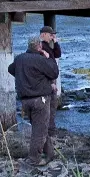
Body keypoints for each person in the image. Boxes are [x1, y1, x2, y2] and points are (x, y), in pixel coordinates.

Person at [8, 37, 59, 166]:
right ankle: (34, 158)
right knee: (40, 130)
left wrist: (24, 77)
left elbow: (10, 69)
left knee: (40, 127)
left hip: (25, 101)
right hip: (39, 99)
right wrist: (48, 57)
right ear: (39, 46)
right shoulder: (40, 59)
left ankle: (50, 153)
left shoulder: (19, 59)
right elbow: (54, 73)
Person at [39, 26, 61, 136]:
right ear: (43, 34)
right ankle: (49, 129)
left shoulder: (48, 45)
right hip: (47, 80)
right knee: (50, 103)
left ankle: (51, 127)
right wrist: (51, 82)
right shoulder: (40, 47)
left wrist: (55, 42)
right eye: (50, 34)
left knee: (53, 103)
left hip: (51, 78)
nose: (52, 36)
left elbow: (57, 54)